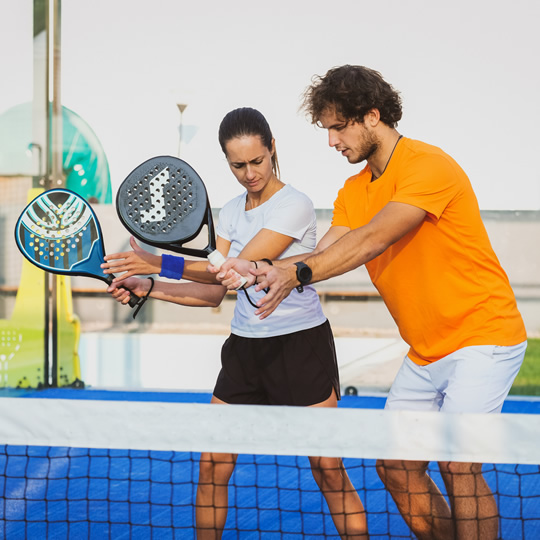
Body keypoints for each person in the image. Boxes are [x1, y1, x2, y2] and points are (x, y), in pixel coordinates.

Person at [216, 67, 528, 540]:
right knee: (395, 467)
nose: (332, 141)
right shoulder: (353, 190)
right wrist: (265, 268)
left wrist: (295, 272)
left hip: (483, 339)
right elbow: (325, 254)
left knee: (458, 463)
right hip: (425, 352)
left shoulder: (428, 166)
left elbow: (370, 240)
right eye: (327, 129)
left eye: (338, 127)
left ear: (372, 116)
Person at [102, 107, 368, 539]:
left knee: (327, 467)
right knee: (213, 464)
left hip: (300, 346)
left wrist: (156, 261)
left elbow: (241, 269)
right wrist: (147, 285)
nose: (249, 174)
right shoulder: (228, 212)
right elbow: (213, 291)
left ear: (272, 149)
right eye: (237, 165)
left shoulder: (294, 205)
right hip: (245, 349)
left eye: (256, 161)